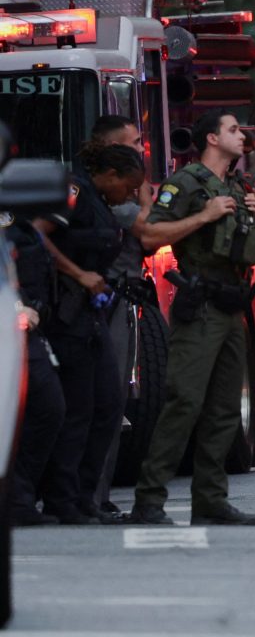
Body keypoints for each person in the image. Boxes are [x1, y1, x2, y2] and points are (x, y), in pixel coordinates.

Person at [129, 110, 255, 526]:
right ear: (210, 138)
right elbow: (150, 237)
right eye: (232, 129)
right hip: (201, 305)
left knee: (225, 409)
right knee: (185, 400)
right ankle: (149, 501)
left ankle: (210, 500)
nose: (241, 135)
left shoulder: (240, 187)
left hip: (231, 305)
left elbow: (254, 249)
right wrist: (204, 217)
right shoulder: (184, 184)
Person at [35, 143, 144, 524]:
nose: (130, 195)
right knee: (78, 409)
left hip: (90, 315)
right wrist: (78, 274)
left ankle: (85, 497)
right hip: (66, 314)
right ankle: (61, 500)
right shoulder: (75, 192)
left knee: (109, 405)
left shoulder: (99, 202)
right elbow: (36, 233)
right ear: (110, 175)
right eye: (128, 186)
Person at [87, 116, 154, 520]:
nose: (141, 147)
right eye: (133, 143)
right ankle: (89, 495)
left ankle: (97, 494)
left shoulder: (110, 193)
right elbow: (151, 231)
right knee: (106, 400)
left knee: (112, 401)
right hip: (105, 306)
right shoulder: (111, 200)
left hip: (116, 303)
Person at [7, 212, 66, 526]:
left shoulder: (18, 220)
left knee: (49, 408)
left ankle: (20, 495)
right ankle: (16, 500)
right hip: (12, 319)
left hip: (30, 323)